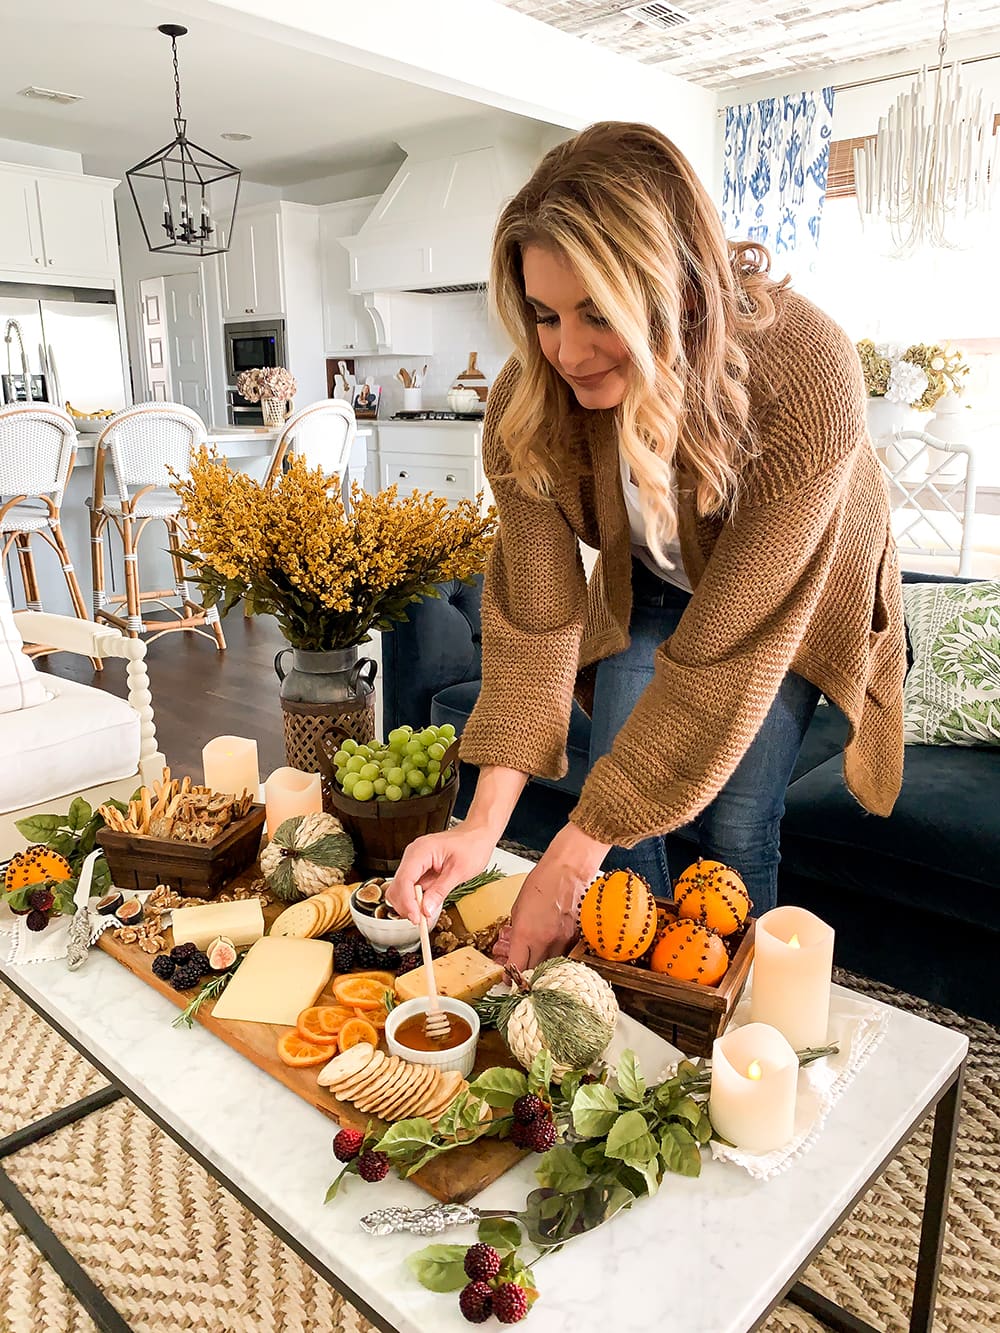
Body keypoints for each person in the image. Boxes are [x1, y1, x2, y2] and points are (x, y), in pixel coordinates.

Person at [386, 121, 905, 971]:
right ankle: (638, 1009)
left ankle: (734, 1019)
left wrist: (565, 858)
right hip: (658, 580)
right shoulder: (532, 397)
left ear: (683, 287)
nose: (568, 350)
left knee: (733, 819)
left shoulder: (808, 372)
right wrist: (479, 826)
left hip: (795, 590)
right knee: (618, 816)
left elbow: (723, 659)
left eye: (600, 312)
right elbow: (535, 623)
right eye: (546, 314)